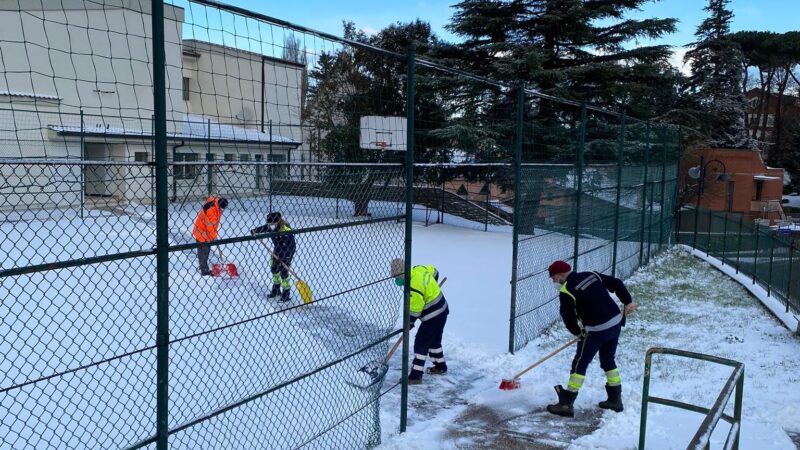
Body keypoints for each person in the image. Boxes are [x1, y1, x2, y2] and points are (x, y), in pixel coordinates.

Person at [546, 260, 637, 418]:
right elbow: (616, 283)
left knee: (580, 364)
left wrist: (577, 332)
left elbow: (568, 318)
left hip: (597, 330)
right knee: (608, 360)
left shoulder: (566, 290)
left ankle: (566, 403)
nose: (553, 281)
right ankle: (615, 399)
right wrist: (627, 301)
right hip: (615, 323)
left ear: (560, 275)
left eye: (553, 277)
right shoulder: (591, 274)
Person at [390, 258, 448, 385]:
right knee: (434, 341)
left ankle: (416, 375)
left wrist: (409, 324)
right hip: (442, 309)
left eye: (397, 278)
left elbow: (415, 311)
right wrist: (430, 287)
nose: (396, 281)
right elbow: (434, 271)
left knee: (421, 342)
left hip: (433, 316)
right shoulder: (419, 269)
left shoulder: (413, 288)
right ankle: (440, 367)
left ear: (402, 274)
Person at [251, 212, 297, 302]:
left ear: (278, 222)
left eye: (273, 224)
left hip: (287, 253)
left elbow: (292, 246)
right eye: (269, 224)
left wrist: (286, 257)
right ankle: (276, 290)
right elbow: (264, 228)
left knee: (284, 273)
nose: (270, 226)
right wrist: (255, 230)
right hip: (277, 251)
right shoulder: (270, 226)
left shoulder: (285, 230)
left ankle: (286, 293)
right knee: (274, 269)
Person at [192, 196, 228, 276]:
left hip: (204, 229)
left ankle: (204, 266)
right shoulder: (212, 211)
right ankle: (204, 270)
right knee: (203, 251)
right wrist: (213, 237)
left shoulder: (215, 204)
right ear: (218, 205)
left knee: (206, 249)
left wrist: (213, 234)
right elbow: (210, 226)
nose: (222, 211)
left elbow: (212, 225)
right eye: (221, 209)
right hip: (202, 231)